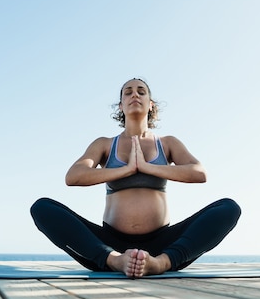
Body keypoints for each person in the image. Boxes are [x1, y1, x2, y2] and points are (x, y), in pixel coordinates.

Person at [30, 78, 241, 278]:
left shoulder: (167, 143)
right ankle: (115, 261)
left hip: (164, 246)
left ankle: (161, 264)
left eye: (142, 91)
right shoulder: (104, 144)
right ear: (120, 106)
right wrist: (126, 170)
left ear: (151, 104)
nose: (135, 95)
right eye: (127, 92)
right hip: (108, 246)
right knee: (42, 208)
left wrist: (148, 167)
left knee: (228, 208)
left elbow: (198, 173)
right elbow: (73, 176)